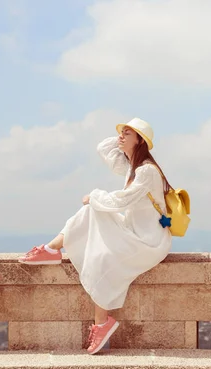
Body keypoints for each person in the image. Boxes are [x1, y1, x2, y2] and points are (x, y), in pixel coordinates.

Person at [17, 117, 173, 355]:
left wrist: (94, 195)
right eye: (121, 132)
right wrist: (125, 137)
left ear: (140, 140)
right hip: (134, 233)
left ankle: (101, 322)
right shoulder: (132, 166)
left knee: (102, 257)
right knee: (91, 214)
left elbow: (122, 200)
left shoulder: (147, 171)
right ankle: (52, 249)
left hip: (149, 241)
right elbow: (103, 148)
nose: (121, 136)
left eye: (127, 133)